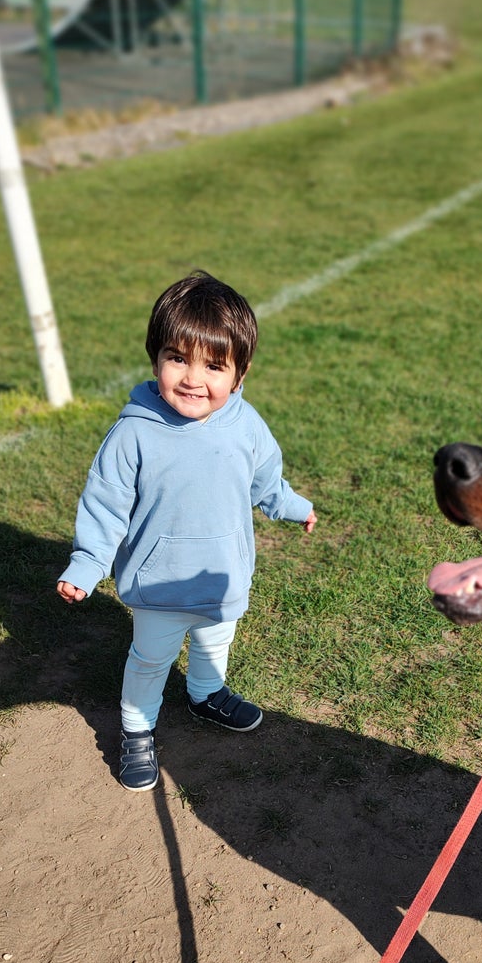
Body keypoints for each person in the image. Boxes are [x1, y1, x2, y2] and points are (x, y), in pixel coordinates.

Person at [57, 271, 316, 791]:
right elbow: (106, 504)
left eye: (214, 366)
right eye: (178, 358)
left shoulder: (246, 426)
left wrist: (291, 506)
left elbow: (266, 480)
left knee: (214, 643)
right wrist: (87, 564)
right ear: (156, 358)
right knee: (150, 659)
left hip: (221, 578)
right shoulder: (134, 432)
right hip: (159, 584)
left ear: (240, 375)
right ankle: (136, 728)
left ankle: (205, 693)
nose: (193, 378)